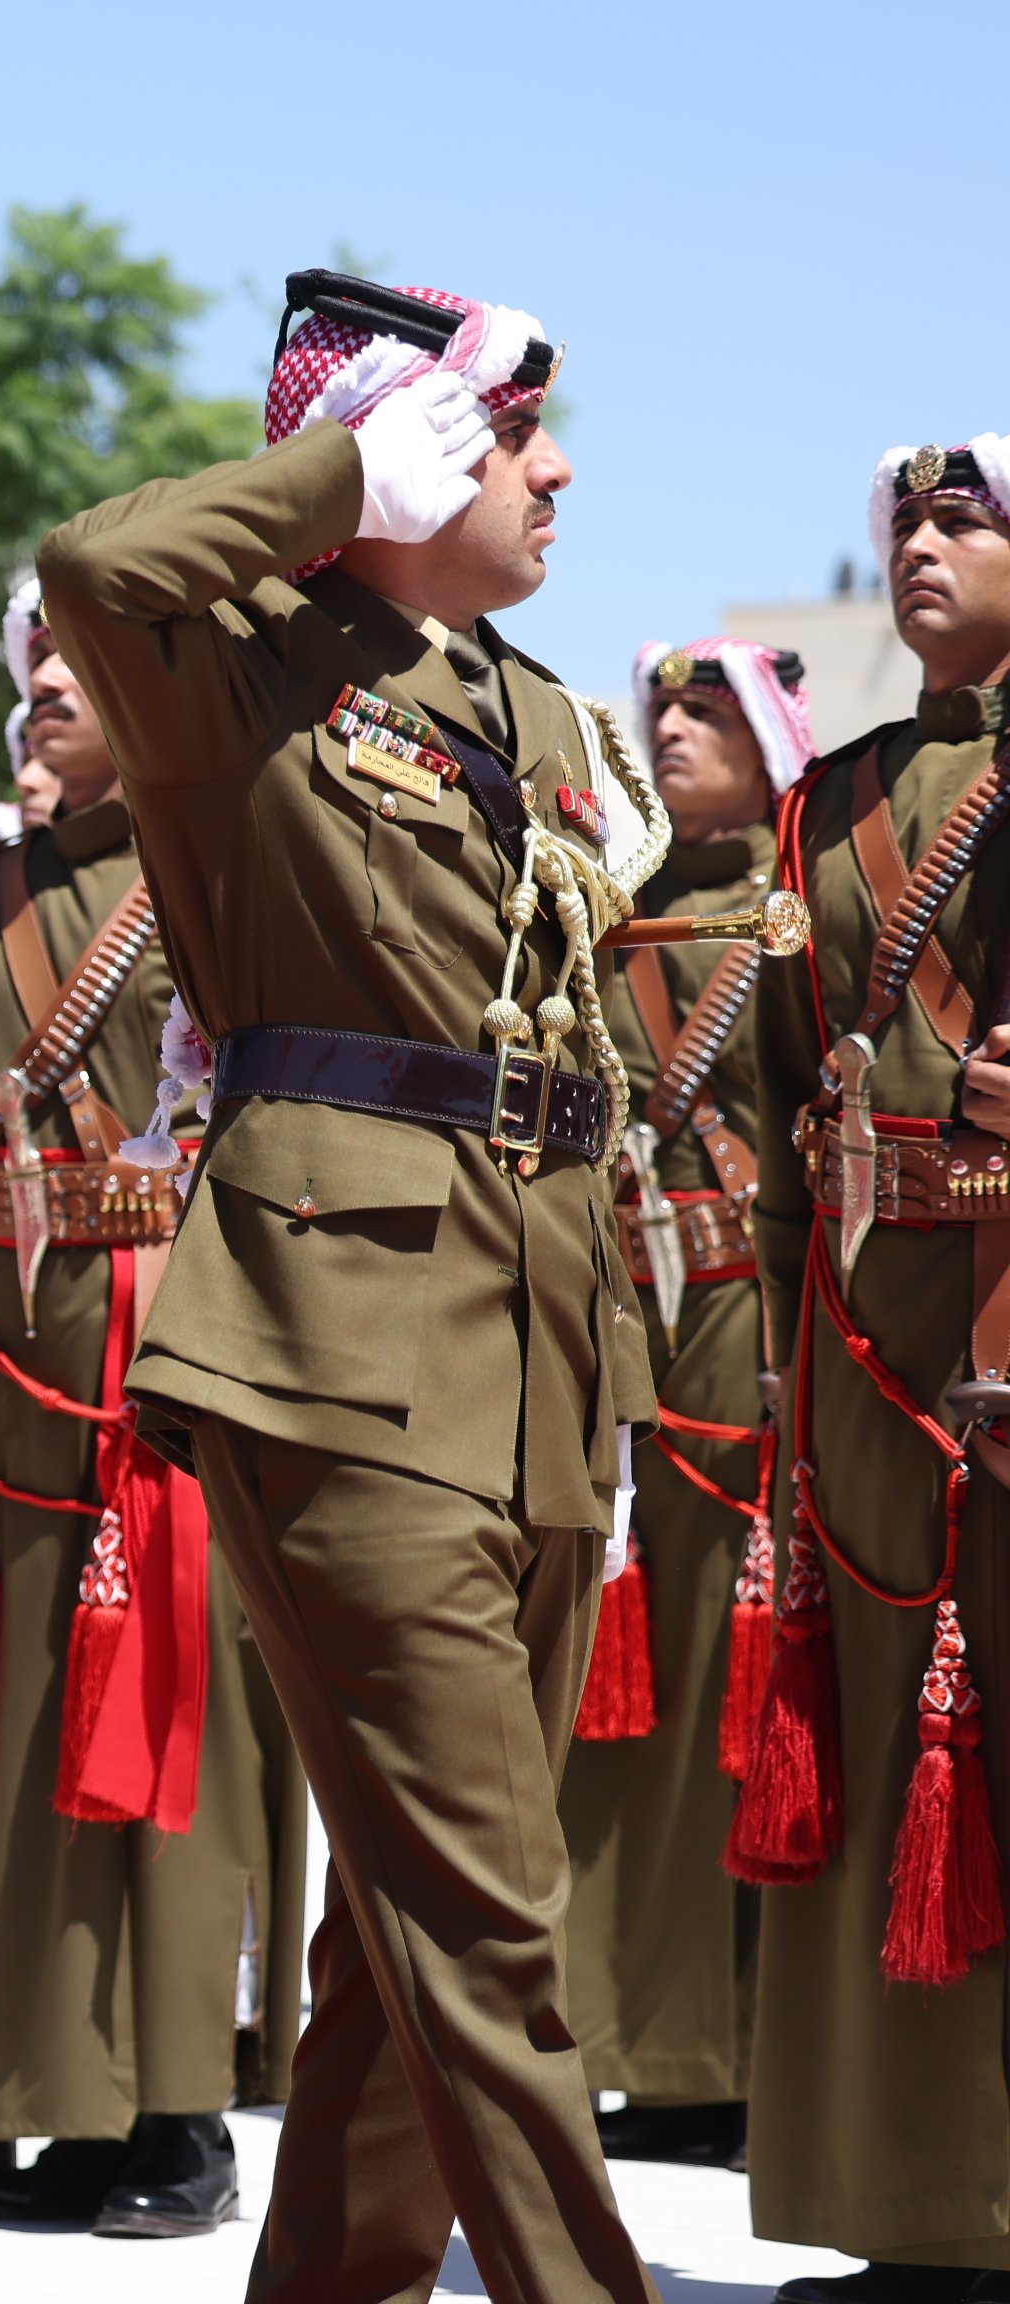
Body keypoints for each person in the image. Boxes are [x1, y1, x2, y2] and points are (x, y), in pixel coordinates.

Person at [38, 276, 661, 2301]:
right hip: (334, 1338)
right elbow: (91, 563)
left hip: (537, 1353)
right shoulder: (232, 667)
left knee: (403, 1953)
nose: (551, 472)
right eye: (506, 436)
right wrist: (334, 476)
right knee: (482, 1926)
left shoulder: (540, 716)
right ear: (405, 452)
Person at [0, 580, 309, 2237]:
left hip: (171, 1349)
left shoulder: (214, 853)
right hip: (21, 1360)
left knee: (173, 1727)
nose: (48, 681)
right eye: (33, 661)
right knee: (28, 1737)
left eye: (82, 660)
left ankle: (180, 2114)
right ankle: (59, 2102)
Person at [744, 439, 1010, 2304]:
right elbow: (782, 1098)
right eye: (900, 523)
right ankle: (912, 2220)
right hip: (857, 1356)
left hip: (1000, 1329)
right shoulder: (826, 803)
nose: (919, 543)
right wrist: (785, 1366)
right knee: (876, 1761)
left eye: (962, 517)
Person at [559, 637, 809, 2176]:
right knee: (620, 1699)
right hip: (619, 1327)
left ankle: (739, 2050)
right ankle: (636, 2046)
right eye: (661, 711)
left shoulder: (799, 910)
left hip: (749, 1333)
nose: (672, 730)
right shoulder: (611, 912)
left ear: (773, 741)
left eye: (708, 712)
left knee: (741, 1679)